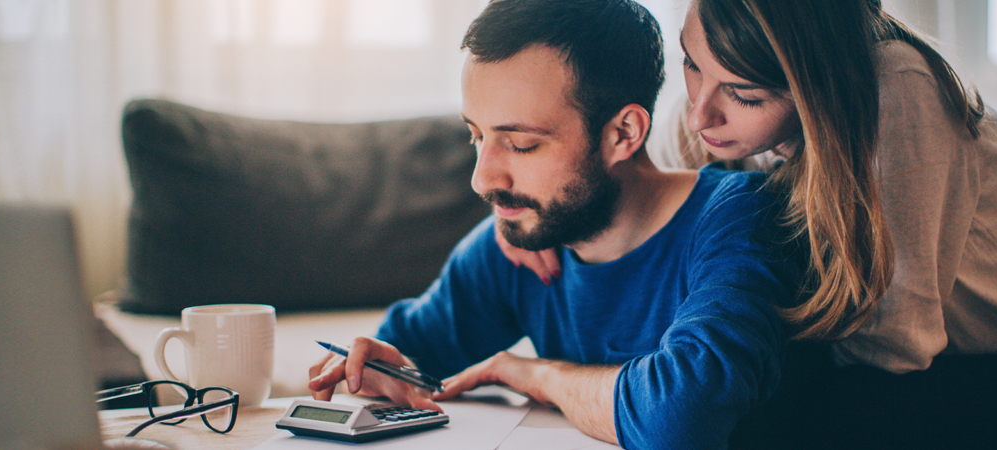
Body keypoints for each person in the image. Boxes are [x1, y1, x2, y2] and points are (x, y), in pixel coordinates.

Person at [500, 0, 997, 447]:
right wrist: (532, 213)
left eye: (744, 96)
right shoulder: (716, 94)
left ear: (816, 89)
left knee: (759, 409)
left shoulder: (898, 92)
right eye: (693, 65)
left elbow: (898, 341)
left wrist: (705, 360)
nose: (699, 115)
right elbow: (638, 190)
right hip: (937, 356)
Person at [307, 1, 806, 448]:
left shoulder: (740, 219)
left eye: (521, 143)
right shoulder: (520, 240)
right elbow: (408, 358)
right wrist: (372, 367)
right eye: (476, 136)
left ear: (622, 133)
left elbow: (682, 419)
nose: (483, 180)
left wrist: (538, 375)